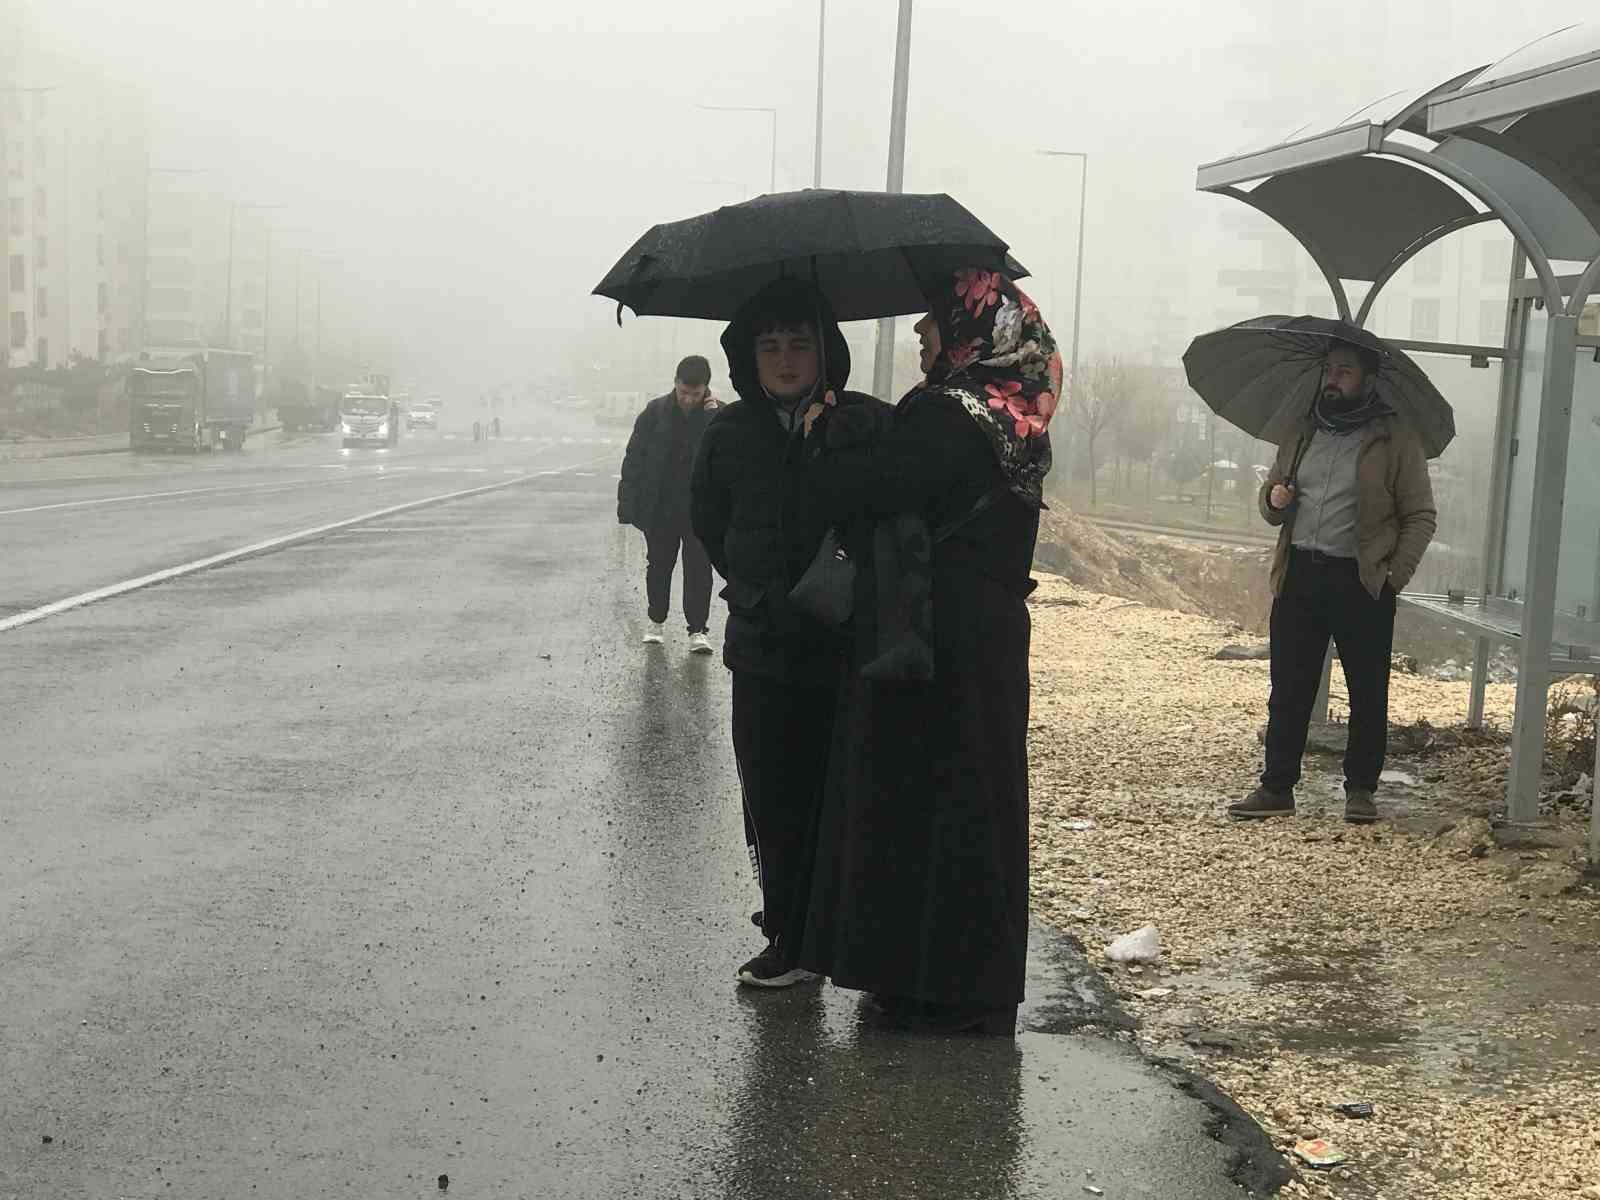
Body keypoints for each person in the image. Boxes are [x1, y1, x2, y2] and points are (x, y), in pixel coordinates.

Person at [795, 268, 1058, 1036]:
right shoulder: (1014, 415)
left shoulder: (951, 414)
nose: (920, 335)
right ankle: (957, 983)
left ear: (975, 329)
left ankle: (936, 987)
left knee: (924, 807)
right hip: (986, 637)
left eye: (933, 323)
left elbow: (873, 485)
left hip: (934, 642)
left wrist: (828, 429)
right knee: (977, 803)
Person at [690, 278, 888, 988]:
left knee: (841, 799)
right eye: (768, 346)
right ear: (746, 357)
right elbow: (710, 524)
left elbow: (882, 521)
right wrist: (753, 591)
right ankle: (789, 936)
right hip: (764, 647)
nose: (784, 359)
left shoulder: (860, 424)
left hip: (842, 647)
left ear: (825, 351)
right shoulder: (729, 434)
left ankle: (841, 934)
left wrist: (827, 448)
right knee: (771, 798)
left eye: (799, 344)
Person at [1229, 341, 1437, 825]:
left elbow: (1421, 516)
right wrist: (1274, 500)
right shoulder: (1303, 430)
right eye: (1329, 370)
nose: (1333, 379)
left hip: (1360, 581)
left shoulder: (1395, 438)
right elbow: (1271, 502)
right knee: (1289, 688)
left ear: (1367, 378)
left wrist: (1392, 578)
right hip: (1300, 573)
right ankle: (1277, 786)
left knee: (1367, 691)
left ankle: (1361, 790)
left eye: (1344, 371)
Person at [618, 355, 721, 654]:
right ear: (675, 383)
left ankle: (697, 630)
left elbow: (729, 461)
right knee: (659, 565)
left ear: (706, 389)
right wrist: (627, 505)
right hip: (660, 506)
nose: (688, 399)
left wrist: (713, 417)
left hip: (700, 510)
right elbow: (634, 458)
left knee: (699, 568)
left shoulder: (718, 416)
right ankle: (656, 622)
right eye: (683, 392)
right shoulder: (655, 412)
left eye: (695, 393)